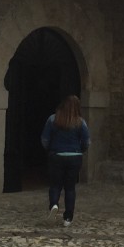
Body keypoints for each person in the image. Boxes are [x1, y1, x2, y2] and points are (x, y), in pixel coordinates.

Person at [41, 95, 90, 227]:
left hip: (56, 155)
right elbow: (86, 141)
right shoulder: (80, 122)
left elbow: (45, 139)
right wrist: (80, 150)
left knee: (55, 185)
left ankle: (54, 205)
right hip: (74, 157)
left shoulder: (53, 119)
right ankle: (68, 217)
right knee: (70, 188)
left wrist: (50, 150)